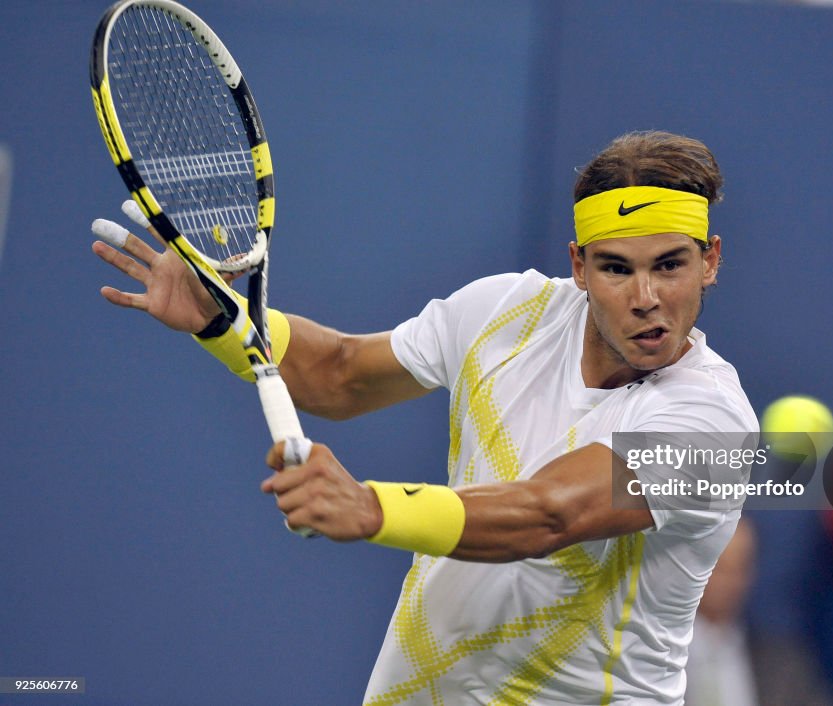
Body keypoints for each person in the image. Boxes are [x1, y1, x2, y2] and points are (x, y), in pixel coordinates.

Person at [92, 130, 759, 704]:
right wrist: (223, 319)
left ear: (712, 261)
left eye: (670, 265)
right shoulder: (506, 312)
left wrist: (372, 509)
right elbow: (341, 374)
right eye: (617, 268)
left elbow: (550, 513)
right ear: (579, 267)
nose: (646, 298)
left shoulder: (717, 427)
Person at [686, 518, 833, 706]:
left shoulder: (783, 663)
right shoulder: (655, 653)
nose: (729, 581)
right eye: (718, 567)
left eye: (739, 567)